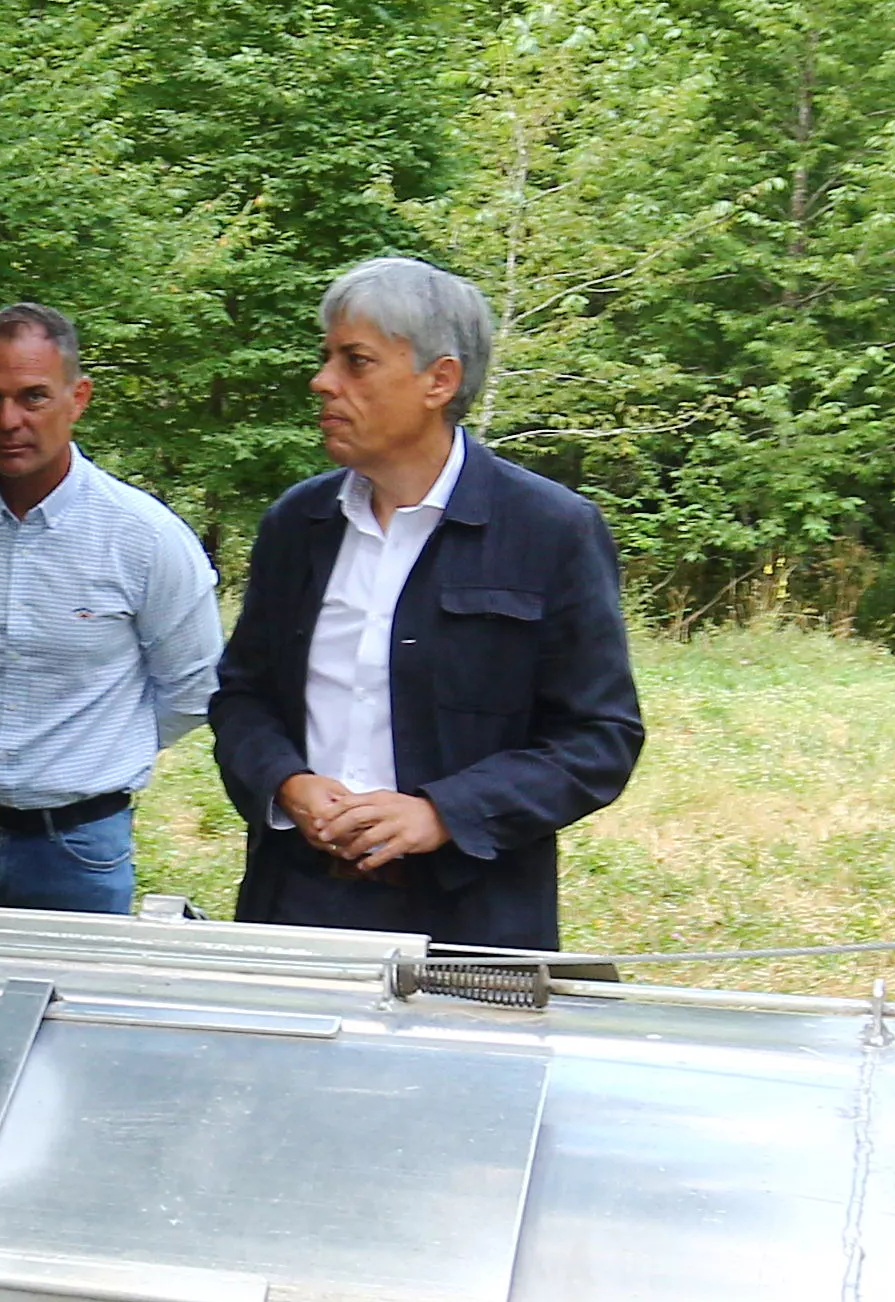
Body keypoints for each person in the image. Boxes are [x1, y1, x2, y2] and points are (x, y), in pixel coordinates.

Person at [202, 256, 645, 953]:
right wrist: (286, 782)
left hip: (471, 924)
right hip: (293, 905)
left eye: (356, 362)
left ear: (439, 380)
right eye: (327, 358)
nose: (323, 382)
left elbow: (599, 740)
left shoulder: (550, 530)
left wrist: (442, 813)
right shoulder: (298, 525)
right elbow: (241, 697)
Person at [0, 302, 222, 915]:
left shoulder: (144, 537)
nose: (8, 420)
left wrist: (96, 750)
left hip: (80, 846)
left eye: (33, 397)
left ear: (77, 397)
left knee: (74, 1007)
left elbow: (195, 688)